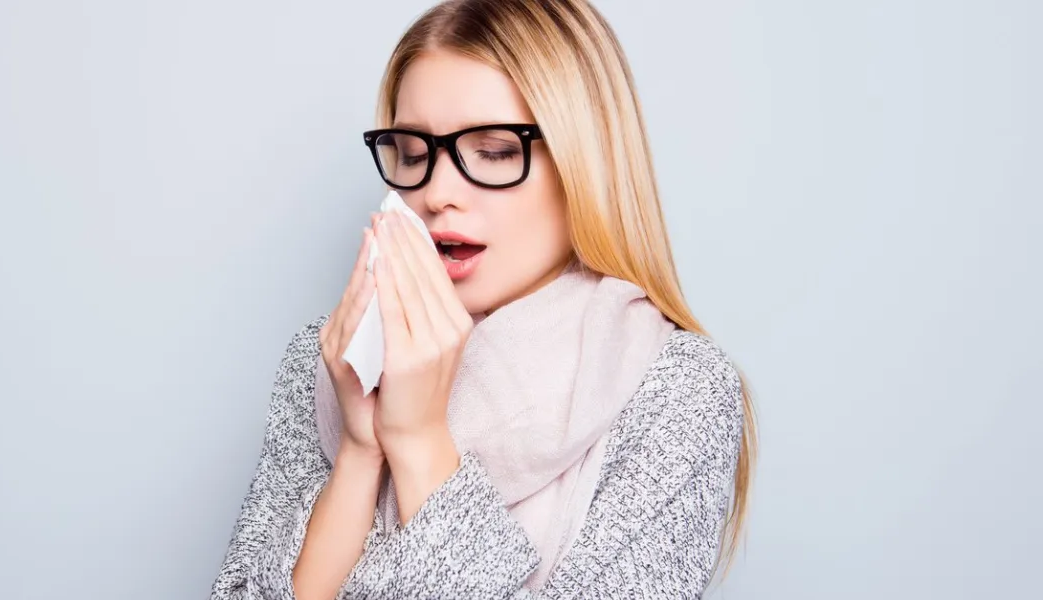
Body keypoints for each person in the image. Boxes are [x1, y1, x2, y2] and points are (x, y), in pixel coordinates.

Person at [209, 0, 757, 597]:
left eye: (494, 151)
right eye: (413, 155)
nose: (438, 192)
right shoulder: (329, 360)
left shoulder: (674, 387)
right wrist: (360, 452)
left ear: (585, 163)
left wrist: (418, 441)